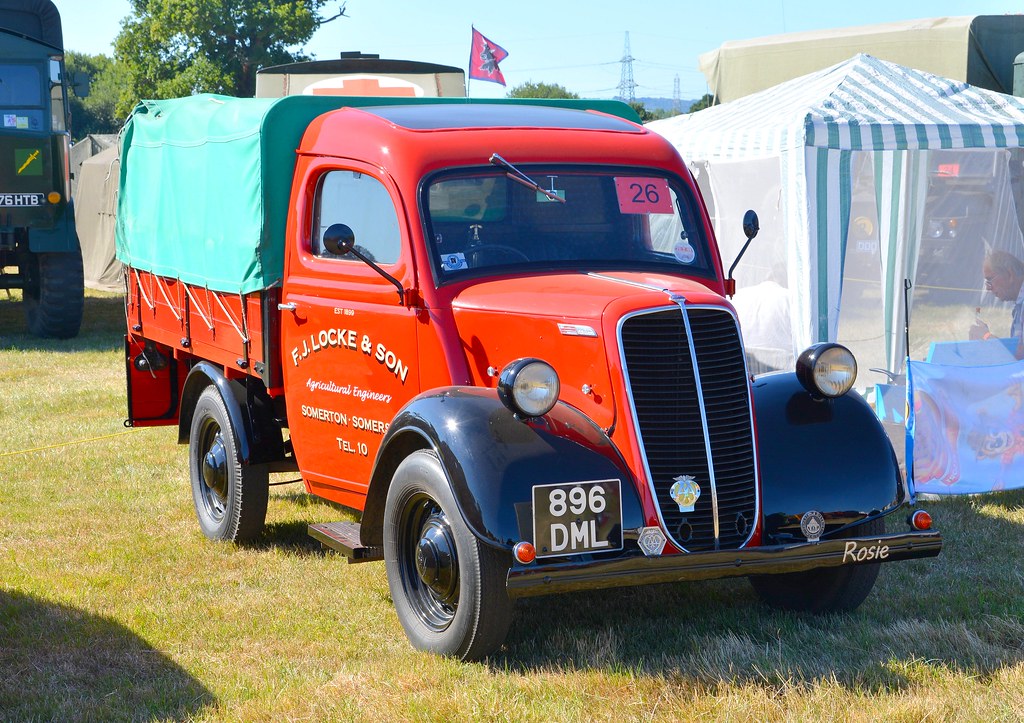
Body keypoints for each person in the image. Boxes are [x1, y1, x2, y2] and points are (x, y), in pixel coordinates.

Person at [969, 250, 1024, 358]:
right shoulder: (1019, 305)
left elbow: (1021, 355)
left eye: (990, 280)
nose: (988, 288)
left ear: (1010, 275)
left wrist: (986, 336)